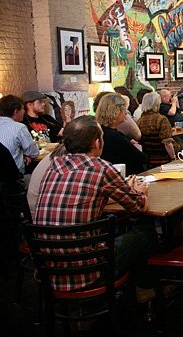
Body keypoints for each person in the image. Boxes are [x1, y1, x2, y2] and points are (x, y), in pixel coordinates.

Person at [34, 115, 157, 306]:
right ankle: (145, 291)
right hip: (89, 271)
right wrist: (138, 191)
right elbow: (139, 206)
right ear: (97, 142)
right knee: (145, 231)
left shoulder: (53, 166)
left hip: (48, 272)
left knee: (113, 228)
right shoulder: (100, 168)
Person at [95, 93, 148, 175]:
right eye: (124, 110)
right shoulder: (115, 136)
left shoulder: (99, 131)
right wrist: (136, 147)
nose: (126, 114)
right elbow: (142, 158)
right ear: (116, 112)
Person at [0, 95, 39, 175]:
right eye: (23, 108)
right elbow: (34, 153)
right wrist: (25, 154)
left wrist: (22, 154)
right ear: (15, 111)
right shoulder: (19, 128)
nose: (24, 111)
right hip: (13, 180)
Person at [137, 92, 178, 164]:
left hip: (149, 160)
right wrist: (173, 158)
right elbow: (167, 143)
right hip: (164, 158)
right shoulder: (161, 119)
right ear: (157, 104)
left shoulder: (139, 121)